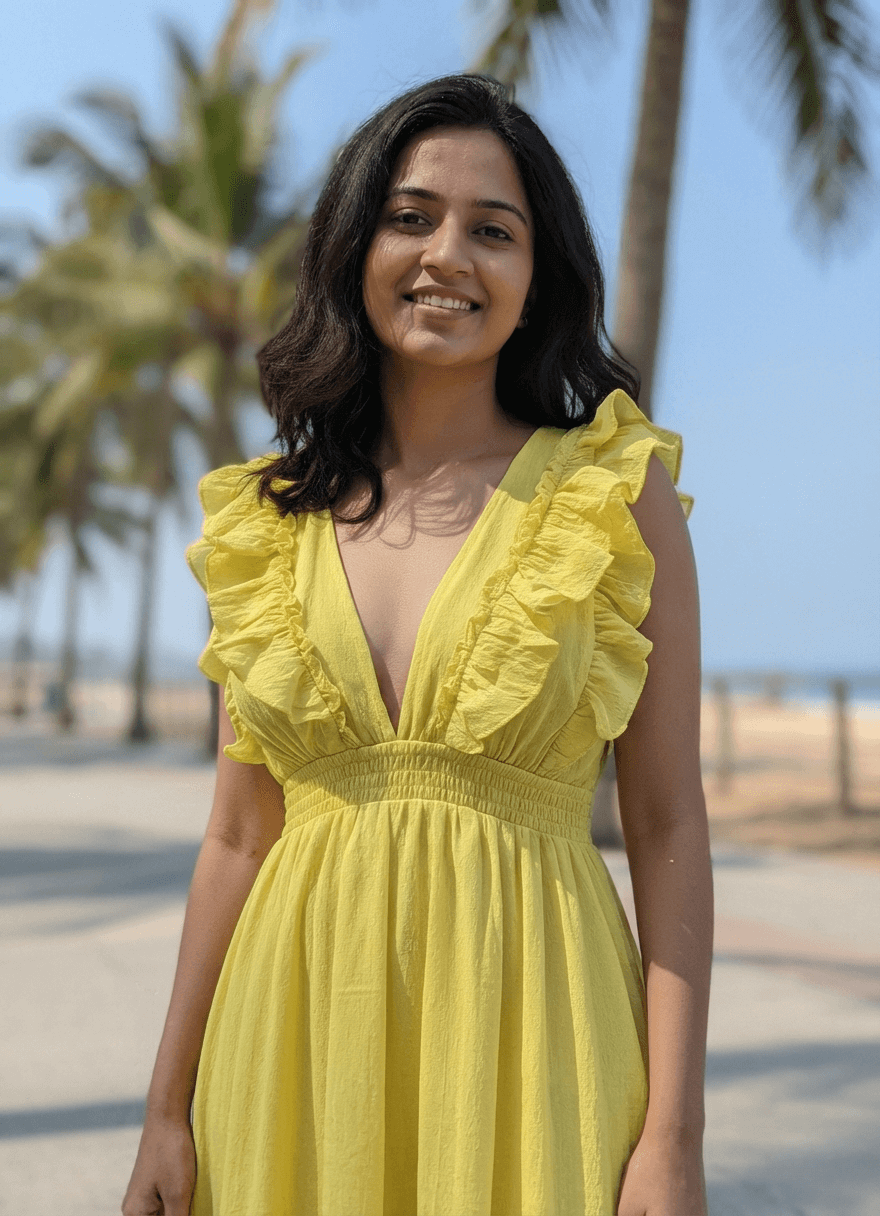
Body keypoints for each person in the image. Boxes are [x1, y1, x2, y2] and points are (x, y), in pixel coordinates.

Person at [122, 72, 712, 1216]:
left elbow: (667, 819)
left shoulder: (607, 494)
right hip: (289, 1051)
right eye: (411, 216)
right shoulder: (265, 520)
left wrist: (672, 1137)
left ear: (538, 279)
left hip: (538, 1040)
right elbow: (239, 837)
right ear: (354, 244)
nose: (449, 254)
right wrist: (163, 1110)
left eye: (495, 230)